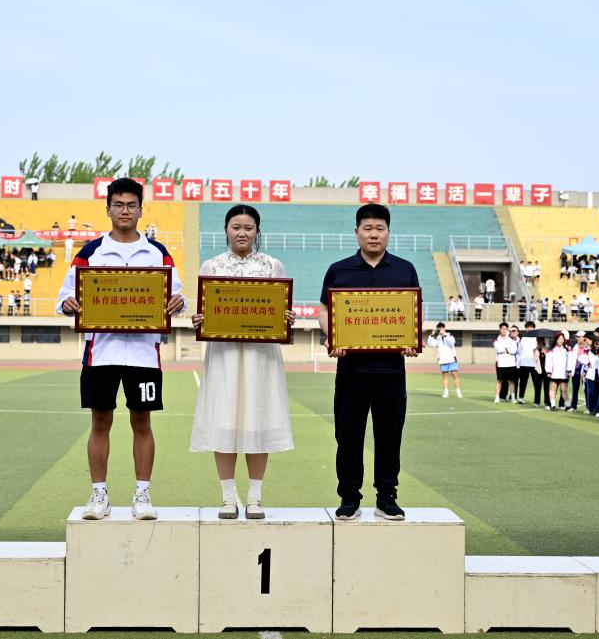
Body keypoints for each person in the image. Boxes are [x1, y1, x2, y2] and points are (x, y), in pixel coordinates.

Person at [57, 178, 186, 520]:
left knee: (142, 421)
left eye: (131, 205)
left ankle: (142, 494)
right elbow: (66, 296)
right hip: (101, 352)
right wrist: (68, 304)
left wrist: (178, 302)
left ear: (141, 210)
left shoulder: (158, 253)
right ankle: (99, 495)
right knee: (100, 421)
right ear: (108, 209)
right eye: (118, 205)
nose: (125, 211)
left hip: (144, 354)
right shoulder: (90, 253)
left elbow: (177, 295)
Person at [190, 205, 295, 520]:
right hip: (224, 356)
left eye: (248, 228)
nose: (242, 233)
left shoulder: (272, 266)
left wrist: (285, 319)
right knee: (224, 420)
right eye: (236, 227)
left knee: (258, 421)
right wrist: (200, 320)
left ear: (257, 231)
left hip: (261, 357)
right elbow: (205, 311)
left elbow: (281, 311)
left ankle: (255, 498)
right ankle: (227, 498)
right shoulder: (212, 265)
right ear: (226, 230)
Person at [318, 203, 420, 521]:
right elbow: (325, 309)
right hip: (351, 370)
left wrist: (412, 339)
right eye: (368, 228)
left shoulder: (405, 269)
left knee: (389, 436)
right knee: (348, 436)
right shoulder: (339, 270)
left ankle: (387, 498)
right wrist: (332, 336)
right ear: (357, 232)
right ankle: (349, 498)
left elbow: (412, 311)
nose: (374, 234)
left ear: (388, 232)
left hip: (391, 371)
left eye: (380, 228)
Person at [428, 322, 461, 399]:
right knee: (445, 376)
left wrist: (444, 335)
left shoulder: (449, 335)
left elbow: (452, 343)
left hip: (451, 358)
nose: (440, 329)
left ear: (444, 328)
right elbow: (431, 344)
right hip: (442, 359)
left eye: (442, 327)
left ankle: (458, 392)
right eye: (439, 327)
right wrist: (431, 335)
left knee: (454, 375)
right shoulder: (437, 337)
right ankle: (446, 392)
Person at [545, 332, 574, 410]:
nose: (561, 340)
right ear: (556, 339)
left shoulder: (567, 349)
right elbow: (549, 361)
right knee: (553, 389)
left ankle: (568, 405)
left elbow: (570, 360)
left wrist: (569, 370)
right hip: (554, 373)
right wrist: (548, 371)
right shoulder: (551, 349)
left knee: (564, 390)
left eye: (562, 339)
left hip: (564, 373)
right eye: (559, 339)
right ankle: (553, 405)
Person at [515, 321, 540, 405]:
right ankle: (521, 397)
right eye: (527, 327)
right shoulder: (523, 338)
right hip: (524, 363)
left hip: (534, 363)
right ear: (525, 328)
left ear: (534, 328)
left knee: (536, 382)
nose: (529, 329)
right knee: (523, 382)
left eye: (531, 327)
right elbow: (519, 350)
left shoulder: (537, 338)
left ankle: (537, 401)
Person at [493, 322, 518, 403]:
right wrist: (508, 349)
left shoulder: (512, 340)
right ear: (500, 329)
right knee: (499, 381)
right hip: (501, 364)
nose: (504, 330)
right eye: (502, 328)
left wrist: (505, 349)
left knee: (511, 381)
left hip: (511, 364)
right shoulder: (496, 340)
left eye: (505, 329)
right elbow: (499, 350)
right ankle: (497, 397)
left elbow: (514, 351)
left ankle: (513, 398)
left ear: (507, 330)